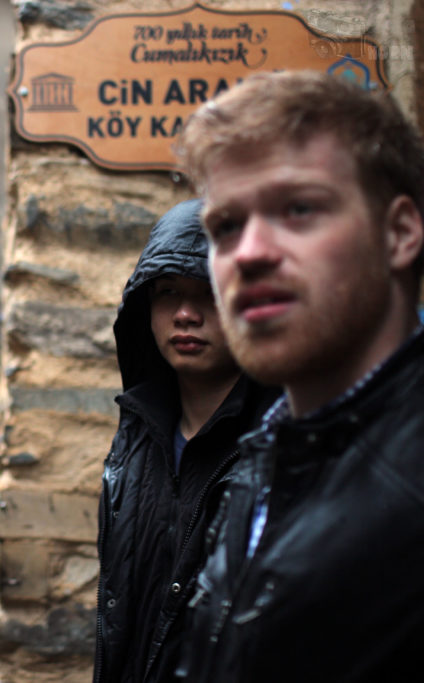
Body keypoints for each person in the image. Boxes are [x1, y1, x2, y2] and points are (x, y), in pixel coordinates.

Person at [172, 69, 424, 683]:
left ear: (399, 233)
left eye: (299, 209)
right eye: (225, 226)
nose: (250, 251)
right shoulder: (268, 452)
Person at [94, 199, 276, 683]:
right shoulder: (136, 436)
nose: (185, 314)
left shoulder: (277, 443)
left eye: (210, 293)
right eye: (167, 291)